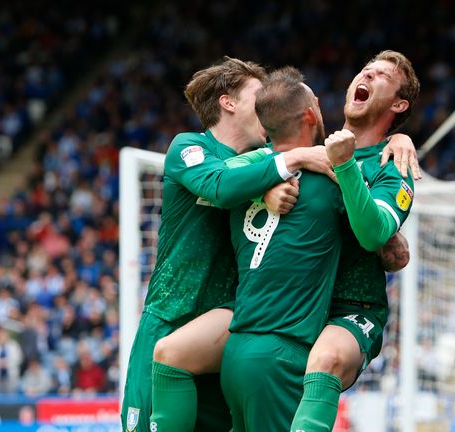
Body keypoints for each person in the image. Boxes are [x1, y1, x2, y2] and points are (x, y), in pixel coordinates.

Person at [122, 56, 335, 432]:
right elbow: (219, 186)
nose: (269, 103)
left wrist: (398, 137)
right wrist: (292, 159)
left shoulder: (264, 163)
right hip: (171, 318)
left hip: (228, 328)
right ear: (229, 102)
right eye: (259, 95)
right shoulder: (189, 148)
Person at [290, 50, 421, 431]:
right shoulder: (308, 146)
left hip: (352, 306)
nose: (367, 74)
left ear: (398, 103)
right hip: (290, 300)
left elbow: (374, 234)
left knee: (327, 358)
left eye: (381, 75)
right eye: (365, 69)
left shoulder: (394, 164)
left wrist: (348, 165)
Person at [218, 66, 344, 431]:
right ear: (309, 115)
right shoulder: (331, 182)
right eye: (317, 103)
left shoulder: (243, 181)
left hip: (236, 353)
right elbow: (378, 236)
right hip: (280, 357)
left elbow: (229, 176)